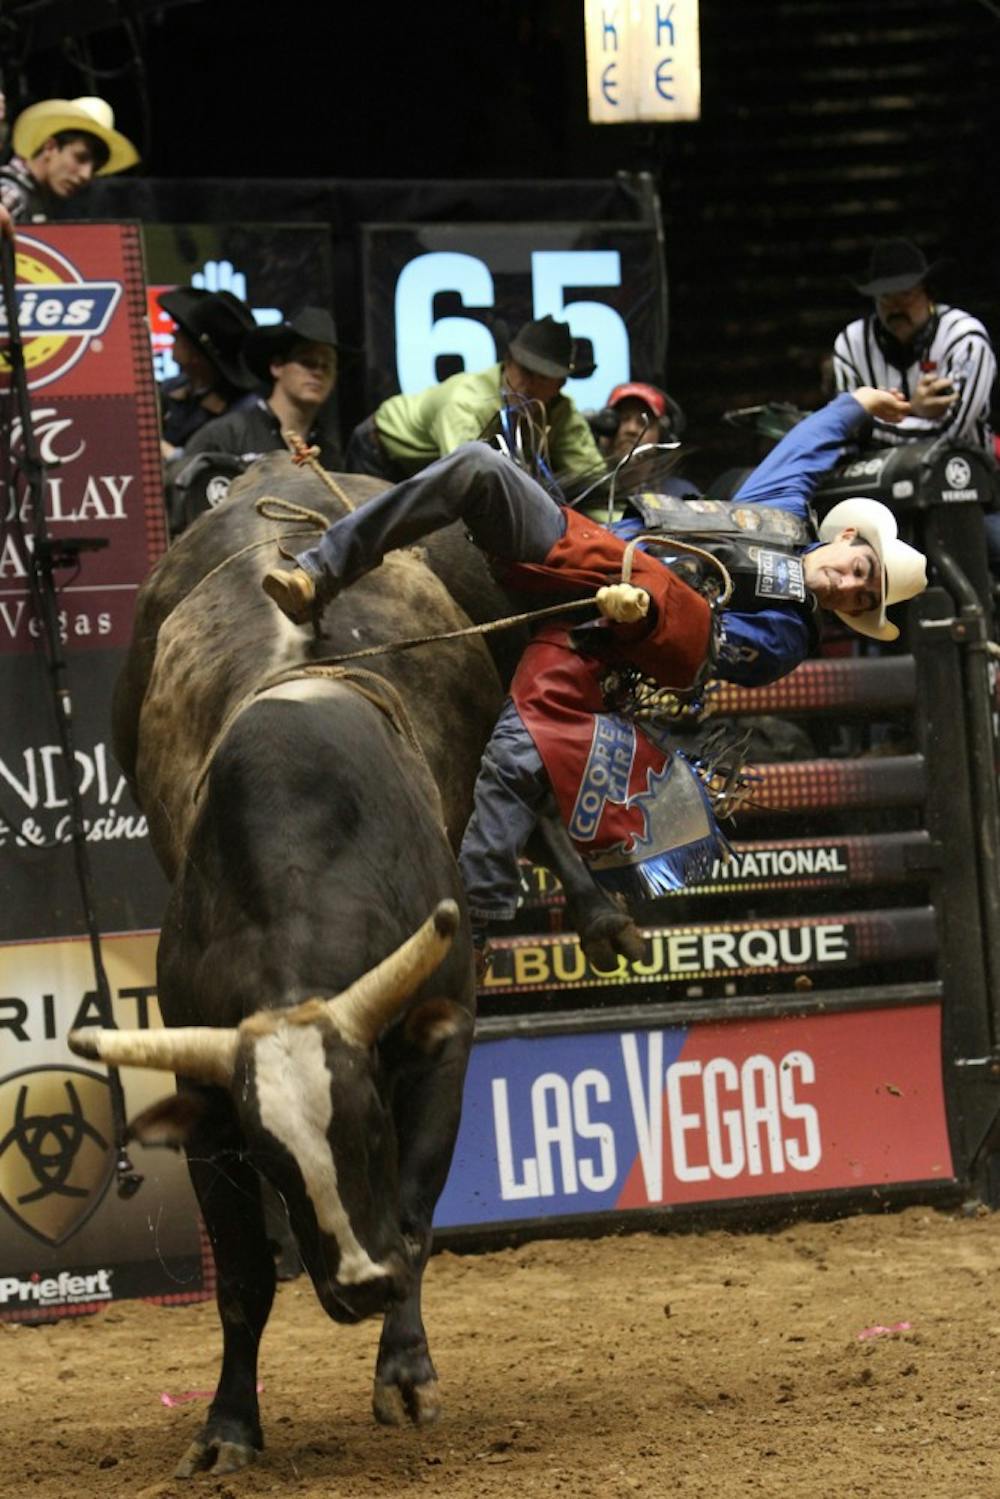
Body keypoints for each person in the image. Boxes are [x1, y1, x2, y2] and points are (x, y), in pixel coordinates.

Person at [262, 388, 927, 946]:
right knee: (476, 467)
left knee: (516, 758)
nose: (847, 585)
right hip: (591, 550)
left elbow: (699, 648)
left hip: (606, 640)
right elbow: (803, 448)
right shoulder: (779, 514)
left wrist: (642, 614)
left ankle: (473, 930)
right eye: (860, 571)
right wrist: (856, 404)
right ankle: (320, 569)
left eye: (860, 599)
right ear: (846, 539)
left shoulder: (786, 634)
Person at [345, 314, 602, 485]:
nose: (528, 385)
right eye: (524, 371)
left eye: (543, 377)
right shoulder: (466, 403)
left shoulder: (563, 414)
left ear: (560, 384)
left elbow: (595, 481)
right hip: (381, 450)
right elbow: (464, 481)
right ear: (508, 363)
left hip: (438, 468)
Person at [832, 238, 996, 453]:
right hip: (877, 476)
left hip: (961, 475)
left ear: (928, 293)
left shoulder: (965, 339)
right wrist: (914, 410)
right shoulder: (851, 344)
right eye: (885, 297)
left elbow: (953, 433)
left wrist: (882, 421)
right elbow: (847, 428)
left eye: (906, 294)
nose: (896, 307)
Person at [183, 305, 342, 469]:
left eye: (328, 366)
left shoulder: (328, 455)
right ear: (277, 367)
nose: (317, 372)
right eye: (307, 362)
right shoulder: (225, 436)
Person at [0, 95, 138, 223]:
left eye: (95, 168)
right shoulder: (10, 194)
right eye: (80, 158)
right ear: (50, 147)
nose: (86, 175)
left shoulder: (37, 200)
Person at [157, 287, 258, 461]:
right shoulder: (171, 389)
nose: (174, 333)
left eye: (182, 333)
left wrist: (171, 455)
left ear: (198, 352)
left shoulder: (244, 411)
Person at [598, 381, 685, 463]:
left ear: (663, 438)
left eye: (643, 422)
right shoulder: (585, 477)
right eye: (623, 419)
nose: (631, 429)